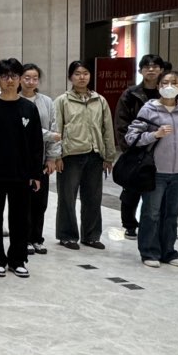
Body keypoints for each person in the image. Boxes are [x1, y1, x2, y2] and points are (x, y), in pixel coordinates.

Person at [125, 70, 178, 268]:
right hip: (155, 171)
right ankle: (149, 251)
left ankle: (168, 251)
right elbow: (131, 137)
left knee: (172, 213)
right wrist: (154, 135)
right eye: (165, 83)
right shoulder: (149, 109)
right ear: (158, 87)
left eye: (174, 83)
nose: (169, 86)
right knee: (152, 213)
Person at [0, 59, 43, 278]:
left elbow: (36, 144)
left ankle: (18, 259)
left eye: (14, 76)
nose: (10, 80)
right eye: (5, 76)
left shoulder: (28, 108)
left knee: (20, 219)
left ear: (19, 79)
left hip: (21, 174)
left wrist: (35, 173)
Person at [54, 60, 116, 249]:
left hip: (94, 155)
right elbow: (56, 130)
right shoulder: (62, 101)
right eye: (77, 73)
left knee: (93, 198)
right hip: (70, 156)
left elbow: (107, 129)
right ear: (70, 77)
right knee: (67, 198)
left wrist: (109, 156)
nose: (82, 77)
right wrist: (57, 156)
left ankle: (91, 235)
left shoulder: (100, 100)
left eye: (85, 73)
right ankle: (67, 235)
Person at [114, 54, 167, 239]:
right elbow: (121, 123)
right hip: (136, 148)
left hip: (162, 148)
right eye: (147, 66)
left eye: (155, 66)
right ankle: (129, 224)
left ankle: (158, 224)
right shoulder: (131, 94)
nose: (151, 70)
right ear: (140, 70)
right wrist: (129, 148)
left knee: (159, 188)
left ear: (161, 70)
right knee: (132, 188)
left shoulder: (169, 93)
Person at [20, 63, 61, 254]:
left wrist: (52, 157)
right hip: (20, 160)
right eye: (27, 78)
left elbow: (55, 129)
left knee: (40, 202)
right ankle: (24, 239)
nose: (30, 82)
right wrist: (50, 135)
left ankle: (37, 238)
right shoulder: (15, 100)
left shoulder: (46, 102)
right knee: (23, 203)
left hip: (41, 159)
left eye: (34, 78)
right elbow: (25, 130)